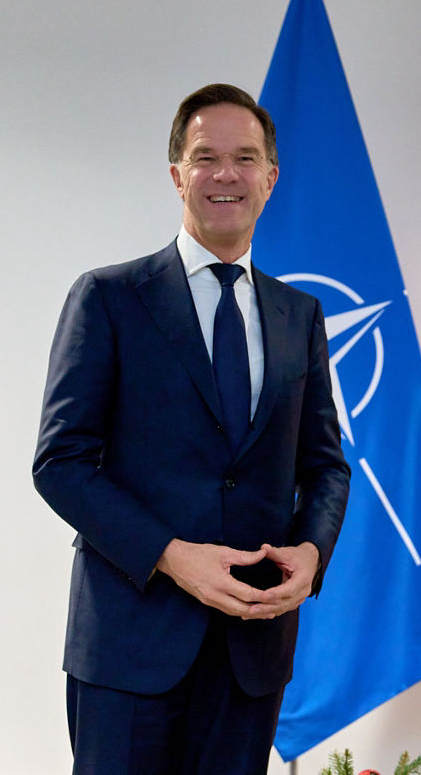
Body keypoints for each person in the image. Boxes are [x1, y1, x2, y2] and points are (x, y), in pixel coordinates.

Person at [33, 83, 350, 775]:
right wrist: (172, 554)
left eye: (245, 158)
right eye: (207, 157)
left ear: (271, 177)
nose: (226, 174)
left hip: (251, 651)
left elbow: (325, 466)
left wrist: (313, 553)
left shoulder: (301, 316)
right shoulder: (109, 298)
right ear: (177, 174)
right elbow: (59, 463)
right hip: (128, 647)